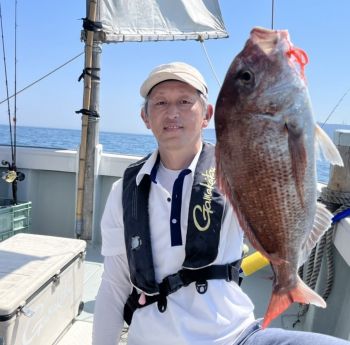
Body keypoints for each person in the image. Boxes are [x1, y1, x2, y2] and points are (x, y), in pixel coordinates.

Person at [92, 62, 349, 345]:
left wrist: (280, 80)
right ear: (145, 116)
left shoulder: (238, 173)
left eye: (185, 101)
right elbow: (114, 286)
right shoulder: (124, 191)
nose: (172, 112)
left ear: (207, 115)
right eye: (161, 102)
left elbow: (279, 163)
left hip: (237, 336)